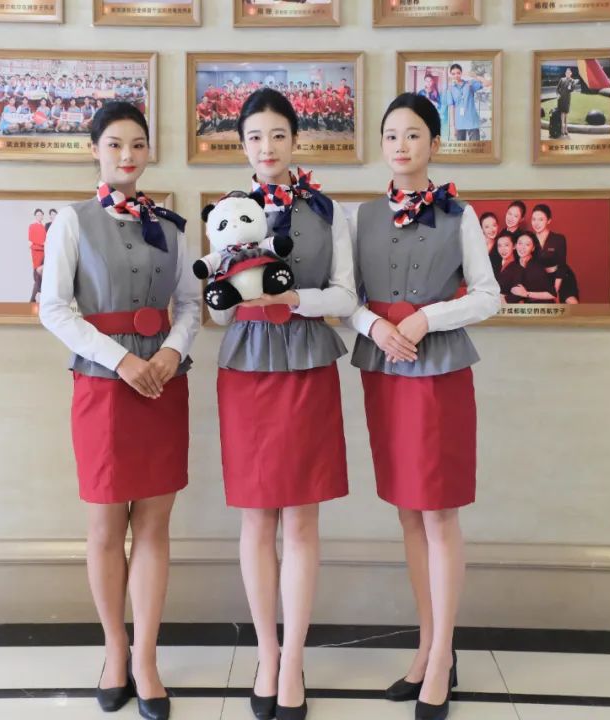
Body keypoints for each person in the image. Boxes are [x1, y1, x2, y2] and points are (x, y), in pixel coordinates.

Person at [38, 102, 201, 720]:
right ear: (95, 150)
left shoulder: (171, 225)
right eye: (114, 144)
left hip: (163, 383)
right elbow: (54, 308)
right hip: (103, 387)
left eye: (137, 144)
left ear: (148, 150)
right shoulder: (72, 222)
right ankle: (114, 651)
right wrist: (121, 360)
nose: (127, 155)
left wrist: (170, 353)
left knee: (155, 526)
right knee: (106, 528)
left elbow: (189, 303)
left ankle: (148, 659)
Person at [346, 93, 499, 720]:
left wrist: (427, 318)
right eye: (391, 135)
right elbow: (345, 296)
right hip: (384, 370)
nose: (400, 145)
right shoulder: (358, 218)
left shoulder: (460, 215)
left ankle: (441, 658)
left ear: (434, 144)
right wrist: (373, 326)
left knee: (439, 514)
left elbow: (488, 296)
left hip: (438, 374)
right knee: (408, 513)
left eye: (413, 134)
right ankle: (428, 647)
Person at [213, 88, 356, 720]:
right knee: (255, 518)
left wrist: (294, 299)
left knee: (300, 520)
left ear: (296, 139)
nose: (266, 147)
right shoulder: (228, 212)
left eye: (277, 134)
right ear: (242, 146)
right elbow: (217, 312)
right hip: (246, 367)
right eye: (254, 137)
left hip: (307, 363)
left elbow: (346, 296)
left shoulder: (327, 211)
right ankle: (266, 654)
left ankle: (293, 658)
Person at [444, 63, 491, 142]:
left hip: (472, 121)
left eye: (458, 73)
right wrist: (453, 127)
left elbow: (488, 83)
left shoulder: (469, 84)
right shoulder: (450, 89)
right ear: (450, 75)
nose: (456, 75)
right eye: (453, 74)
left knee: (475, 147)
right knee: (461, 148)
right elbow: (452, 108)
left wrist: (475, 76)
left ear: (461, 73)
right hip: (459, 123)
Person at [510, 232, 555, 303]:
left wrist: (526, 294)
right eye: (520, 243)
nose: (522, 247)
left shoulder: (537, 267)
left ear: (533, 248)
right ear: (515, 245)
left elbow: (552, 294)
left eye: (527, 244)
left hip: (541, 306)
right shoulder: (514, 264)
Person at [555, 68, 580, 138]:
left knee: (566, 114)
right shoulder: (562, 79)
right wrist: (557, 94)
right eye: (567, 73)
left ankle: (566, 129)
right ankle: (562, 129)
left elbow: (572, 89)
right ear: (565, 73)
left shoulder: (572, 81)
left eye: (569, 73)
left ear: (571, 74)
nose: (568, 74)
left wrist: (570, 87)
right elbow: (557, 88)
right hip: (561, 98)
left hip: (567, 99)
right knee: (562, 114)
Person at [29, 209, 47, 303]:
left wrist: (44, 245)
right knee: (37, 275)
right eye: (37, 215)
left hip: (44, 252)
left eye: (41, 215)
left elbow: (46, 240)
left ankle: (34, 299)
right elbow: (31, 239)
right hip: (36, 252)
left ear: (42, 216)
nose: (39, 216)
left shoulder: (44, 227)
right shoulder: (32, 226)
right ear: (35, 216)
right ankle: (33, 299)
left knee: (41, 276)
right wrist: (42, 244)